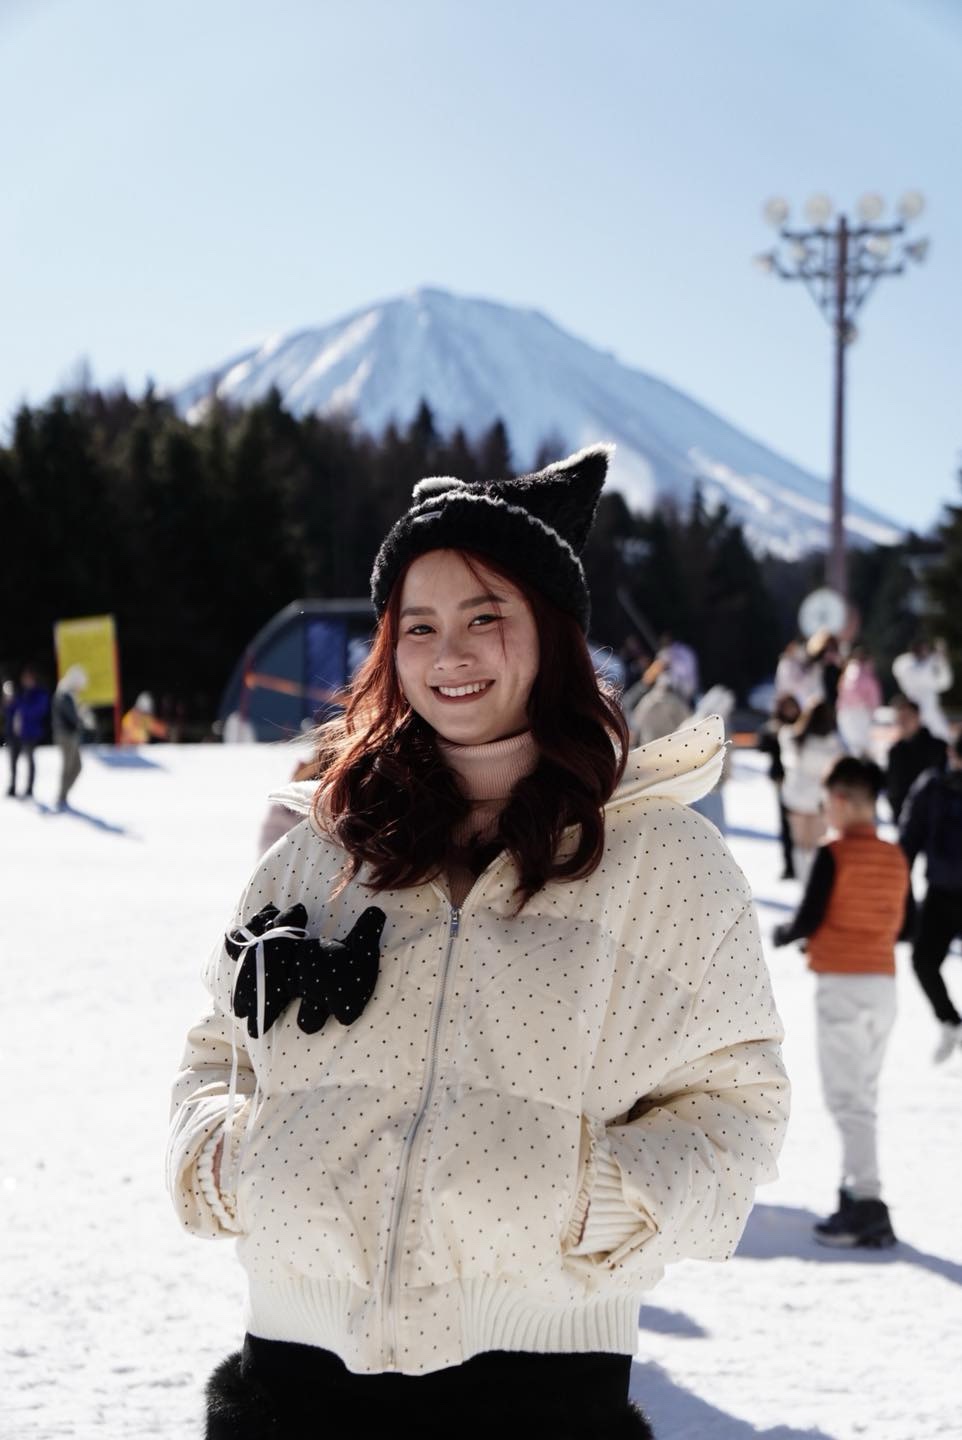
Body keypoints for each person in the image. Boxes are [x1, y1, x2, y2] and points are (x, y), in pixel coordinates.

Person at [167, 446, 789, 1440]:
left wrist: (590, 1201)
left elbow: (736, 1106)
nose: (447, 654)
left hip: (538, 1388)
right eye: (418, 625)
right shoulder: (319, 848)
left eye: (484, 617)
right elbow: (218, 1049)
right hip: (293, 1377)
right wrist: (228, 1163)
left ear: (551, 631)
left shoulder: (660, 859)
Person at [774, 757, 911, 1248]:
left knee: (848, 1101)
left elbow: (808, 917)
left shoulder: (835, 854)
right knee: (863, 1096)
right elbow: (907, 925)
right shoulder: (894, 857)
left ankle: (867, 1203)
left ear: (840, 800)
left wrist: (785, 933)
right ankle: (855, 1192)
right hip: (883, 985)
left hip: (843, 986)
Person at [899, 732, 962, 1063]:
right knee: (923, 960)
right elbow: (909, 837)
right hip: (941, 890)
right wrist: (900, 890)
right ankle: (950, 1022)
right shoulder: (933, 786)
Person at [779, 699, 843, 882]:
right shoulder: (834, 743)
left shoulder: (793, 738)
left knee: (800, 844)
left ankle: (803, 881)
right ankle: (814, 882)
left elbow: (787, 759)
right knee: (817, 844)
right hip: (819, 799)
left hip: (796, 797)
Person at [757, 694, 801, 880]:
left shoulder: (802, 726)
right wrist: (771, 733)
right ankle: (790, 865)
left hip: (800, 781)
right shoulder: (774, 727)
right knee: (785, 824)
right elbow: (761, 746)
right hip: (781, 780)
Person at [884, 695, 947, 825]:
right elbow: (892, 788)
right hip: (904, 821)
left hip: (935, 820)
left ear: (918, 717)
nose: (903, 723)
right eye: (900, 719)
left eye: (907, 717)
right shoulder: (895, 752)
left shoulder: (938, 747)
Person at [892, 639, 953, 742]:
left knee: (941, 734)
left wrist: (942, 662)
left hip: (931, 708)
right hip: (914, 708)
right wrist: (938, 660)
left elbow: (945, 683)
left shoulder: (931, 662)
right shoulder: (907, 665)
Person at [4, 665, 50, 798]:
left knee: (30, 761)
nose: (26, 680)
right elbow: (11, 711)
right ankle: (13, 786)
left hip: (30, 732)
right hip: (15, 733)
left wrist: (21, 707)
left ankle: (29, 788)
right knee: (13, 761)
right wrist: (8, 704)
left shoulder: (40, 693)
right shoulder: (21, 693)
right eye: (24, 678)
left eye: (28, 677)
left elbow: (39, 710)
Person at [628, 657, 691, 747]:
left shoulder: (673, 699)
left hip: (672, 742)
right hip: (651, 744)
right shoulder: (646, 700)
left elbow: (687, 723)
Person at [51, 665, 88, 808]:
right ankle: (61, 797)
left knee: (76, 766)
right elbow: (72, 718)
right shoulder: (64, 694)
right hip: (65, 736)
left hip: (69, 735)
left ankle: (63, 795)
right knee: (68, 766)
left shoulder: (68, 693)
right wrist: (81, 715)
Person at [835, 647, 882, 758]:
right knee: (859, 743)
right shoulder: (857, 671)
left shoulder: (851, 671)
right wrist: (870, 708)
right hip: (858, 712)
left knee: (856, 742)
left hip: (850, 711)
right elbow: (871, 694)